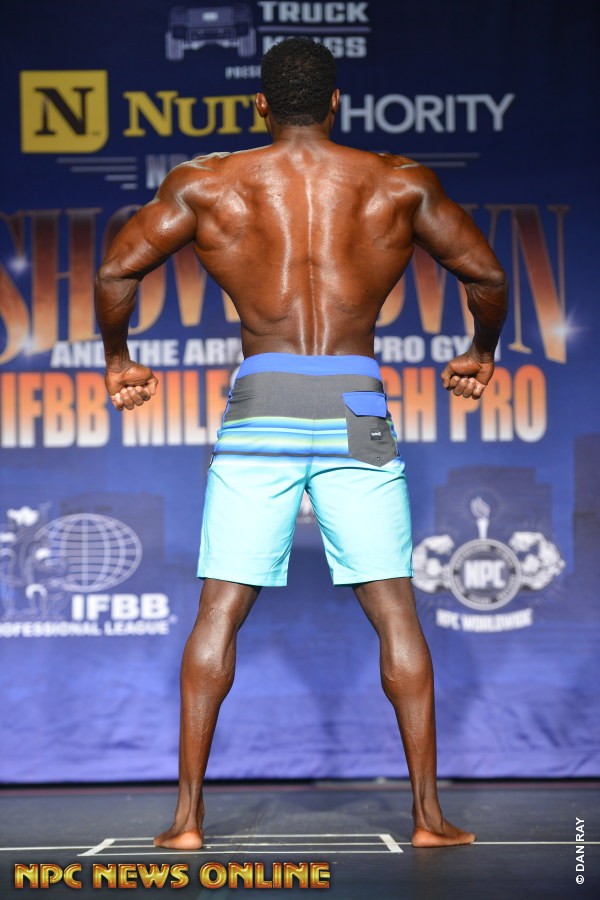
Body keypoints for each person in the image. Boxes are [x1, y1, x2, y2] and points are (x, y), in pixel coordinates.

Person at [95, 37, 508, 850]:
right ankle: (428, 819)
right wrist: (480, 351)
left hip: (264, 404)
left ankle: (186, 823)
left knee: (220, 610)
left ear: (259, 106)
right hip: (357, 404)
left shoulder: (208, 183)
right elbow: (487, 278)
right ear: (336, 103)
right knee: (395, 610)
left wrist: (119, 359)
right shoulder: (398, 182)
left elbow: (116, 272)